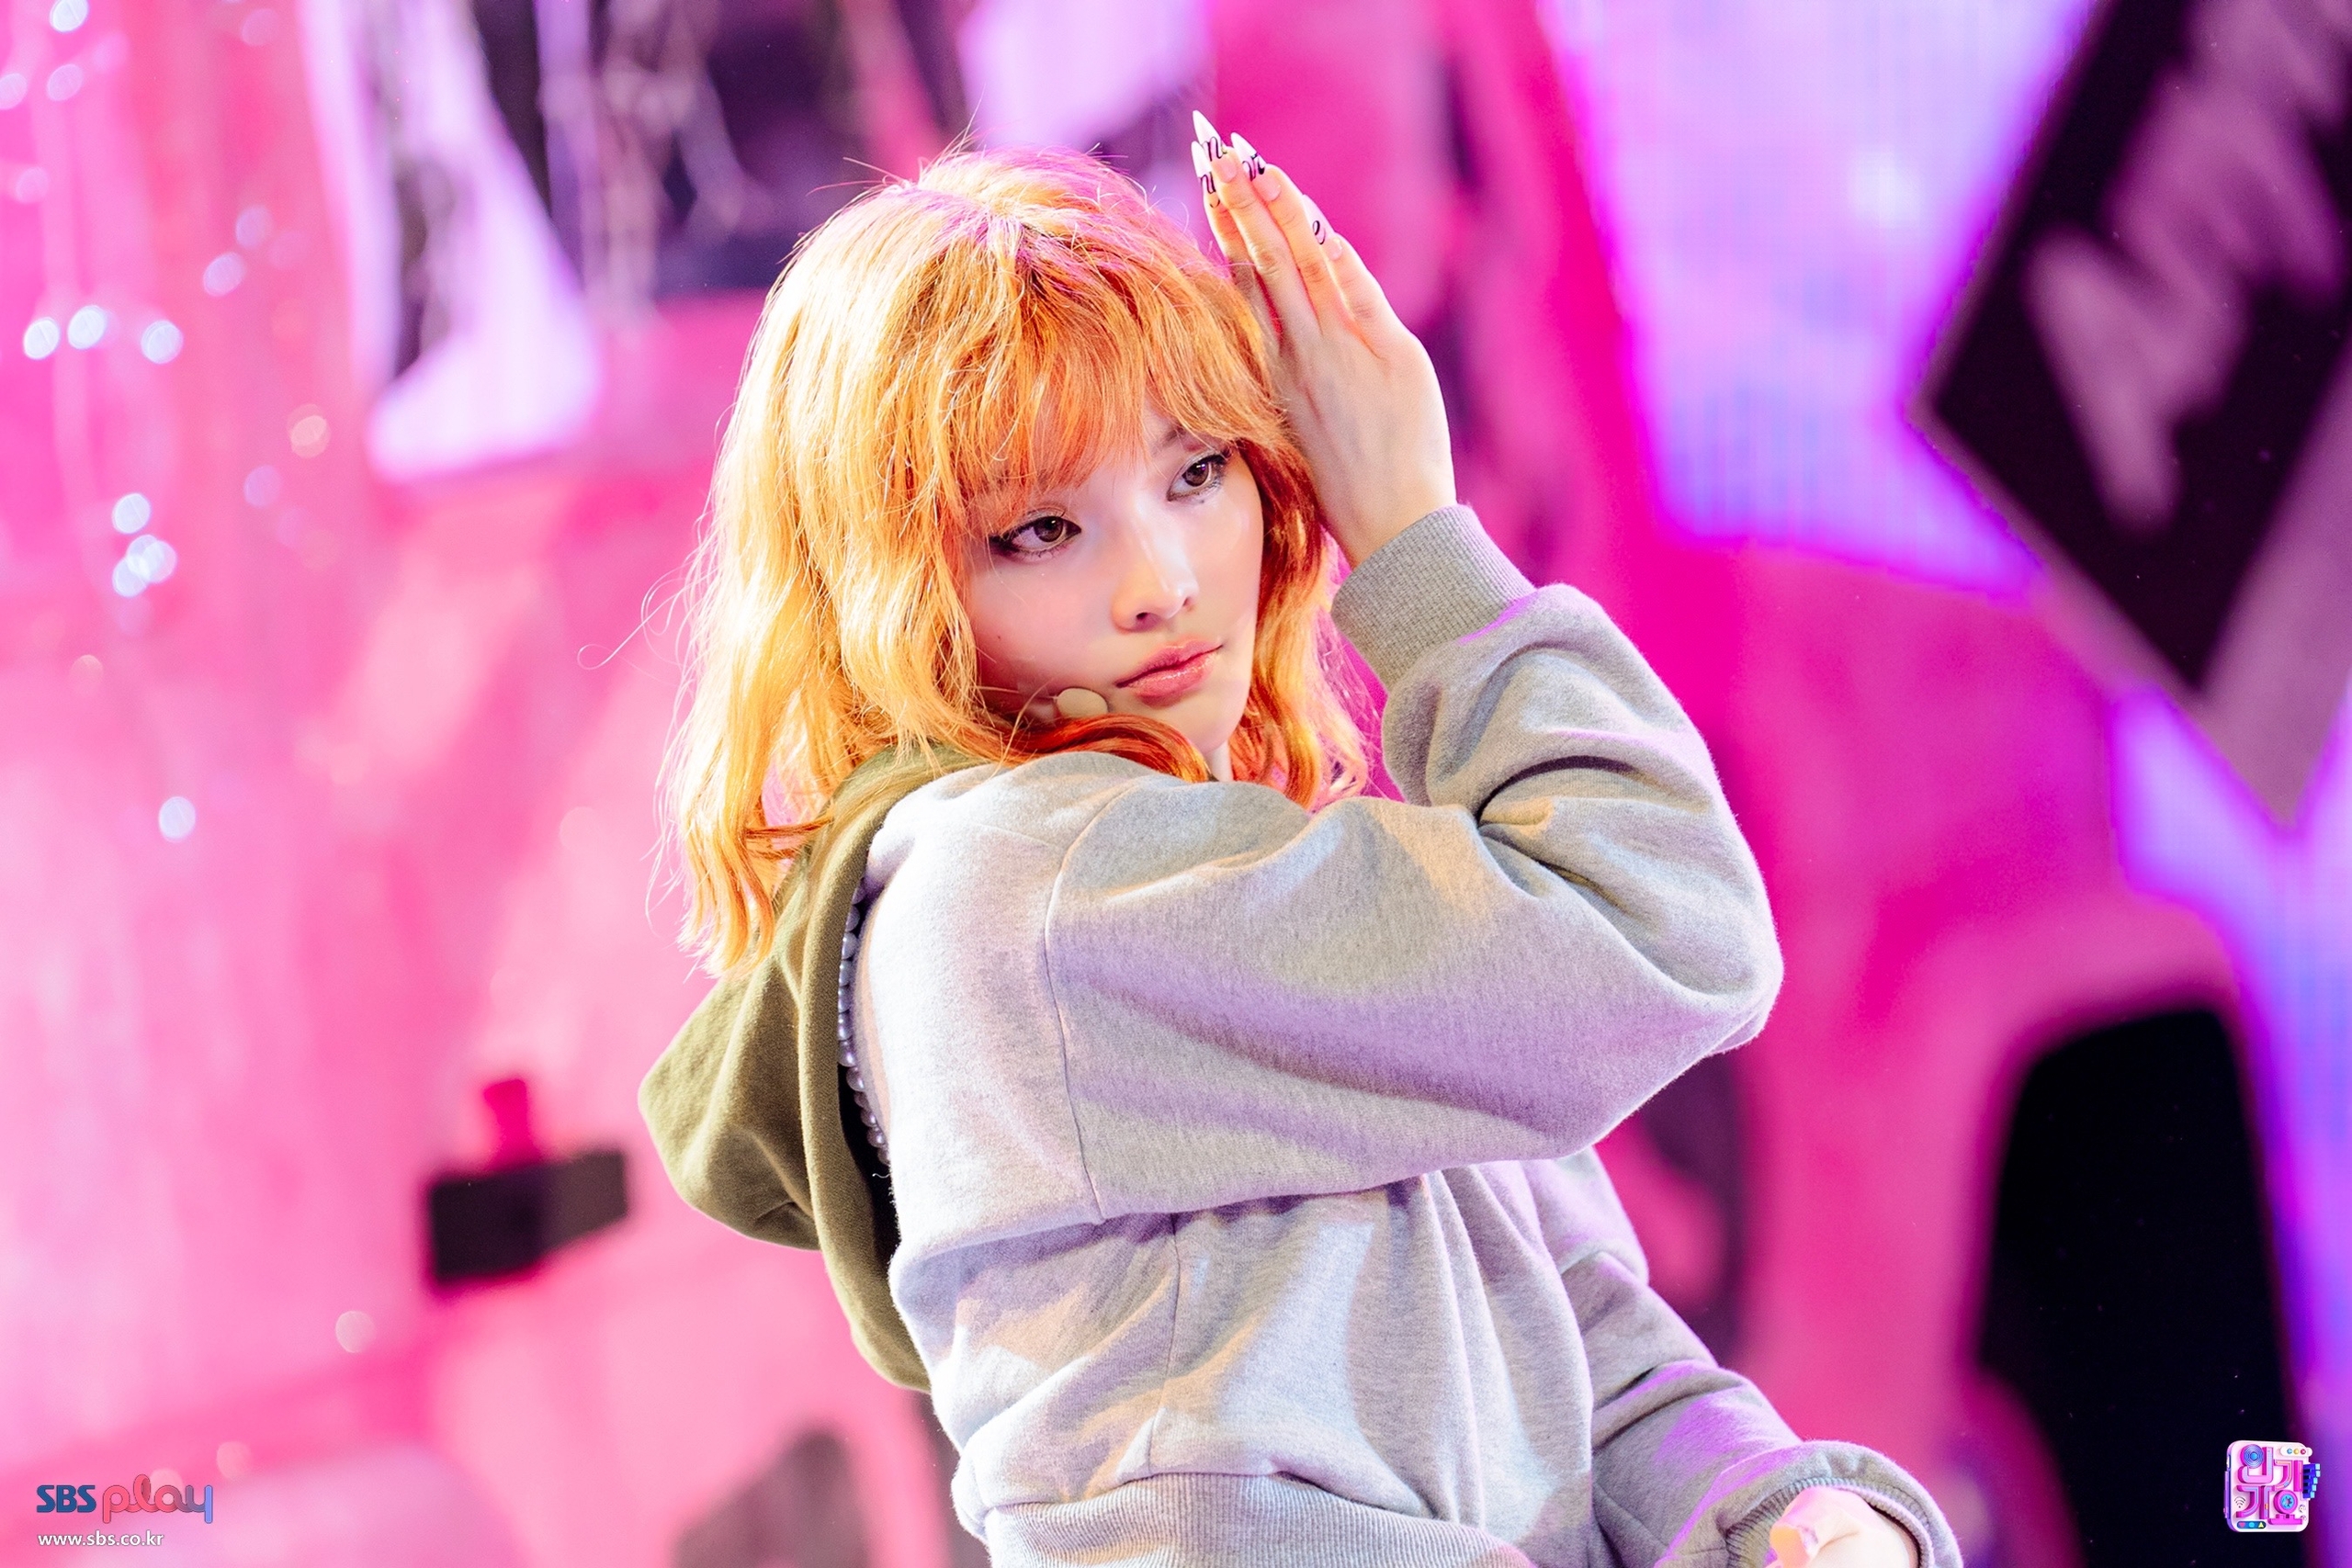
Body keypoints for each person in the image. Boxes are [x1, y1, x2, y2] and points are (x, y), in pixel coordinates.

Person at [639, 134, 1961, 1568]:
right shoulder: (1028, 897)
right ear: (894, 590)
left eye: (1197, 470)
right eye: (1041, 529)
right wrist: (1415, 535)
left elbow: (1586, 1349)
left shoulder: (1220, 868)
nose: (1162, 582)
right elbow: (1667, 927)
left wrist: (1783, 1516)